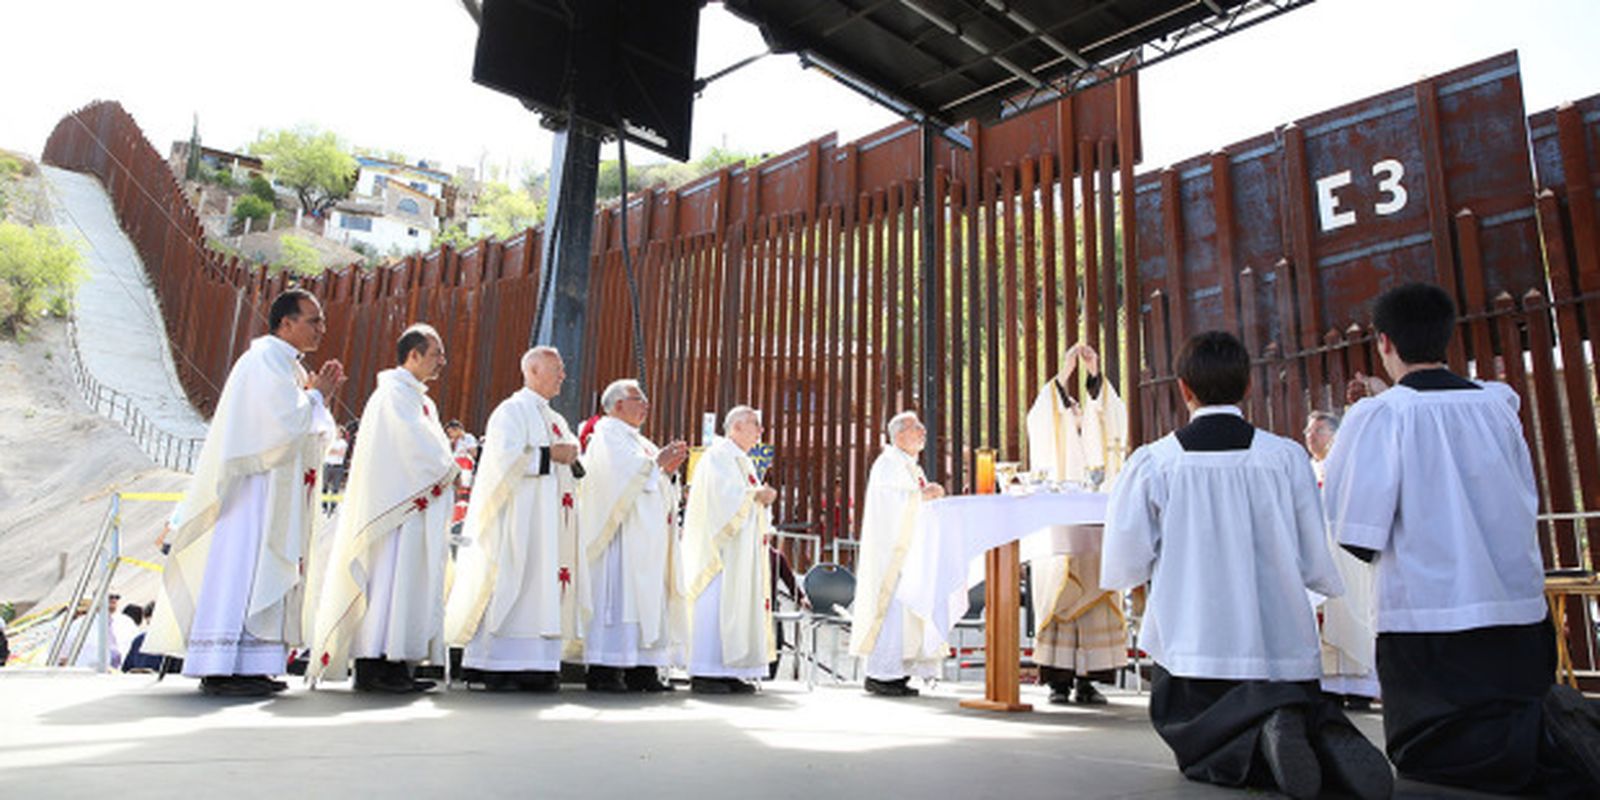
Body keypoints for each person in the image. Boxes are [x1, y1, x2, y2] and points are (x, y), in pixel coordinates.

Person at [1325, 282, 1600, 795]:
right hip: (1516, 615)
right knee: (1506, 722)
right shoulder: (1495, 406)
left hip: (1429, 622)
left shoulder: (1382, 417)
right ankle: (1552, 736)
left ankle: (1549, 742)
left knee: (1434, 759)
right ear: (1446, 338)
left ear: (1384, 342)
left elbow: (1357, 533)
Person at [1102, 330, 1391, 800]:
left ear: (1183, 388)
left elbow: (1126, 561)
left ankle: (1258, 740)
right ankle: (1309, 727)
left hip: (1194, 648)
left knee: (1196, 738)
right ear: (1248, 388)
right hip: (1278, 646)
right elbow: (1314, 555)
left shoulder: (1156, 463)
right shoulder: (1285, 457)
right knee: (1298, 697)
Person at [146, 288, 344, 697]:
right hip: (253, 497)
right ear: (285, 323)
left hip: (274, 494)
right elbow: (284, 423)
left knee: (261, 571)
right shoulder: (264, 361)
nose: (321, 328)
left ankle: (250, 663)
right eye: (313, 320)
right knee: (244, 568)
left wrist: (315, 399)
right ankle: (223, 665)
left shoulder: (284, 365)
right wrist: (318, 395)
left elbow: (302, 426)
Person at [307, 324, 458, 693]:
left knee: (408, 584)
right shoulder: (393, 394)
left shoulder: (420, 398)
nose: (442, 360)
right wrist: (449, 468)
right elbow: (415, 446)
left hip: (412, 508)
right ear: (413, 355)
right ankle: (375, 663)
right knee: (390, 582)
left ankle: (399, 662)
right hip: (394, 511)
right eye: (436, 353)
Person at [444, 347, 581, 692]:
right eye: (557, 369)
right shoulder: (511, 411)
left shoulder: (556, 418)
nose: (563, 375)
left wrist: (574, 458)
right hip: (518, 520)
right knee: (514, 582)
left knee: (542, 586)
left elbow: (572, 463)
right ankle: (496, 665)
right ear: (533, 371)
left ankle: (537, 664)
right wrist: (552, 455)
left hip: (549, 523)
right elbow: (503, 460)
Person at [1025, 342, 1128, 705]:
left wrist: (1095, 375)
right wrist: (1065, 373)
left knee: (1097, 598)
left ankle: (1090, 680)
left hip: (1098, 529)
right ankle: (1059, 681)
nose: (1075, 412)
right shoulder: (1057, 438)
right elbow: (1041, 414)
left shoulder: (1101, 427)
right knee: (1060, 595)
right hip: (1062, 529)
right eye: (1067, 409)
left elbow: (1112, 412)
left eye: (1080, 408)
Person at [576, 379, 689, 693]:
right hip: (621, 539)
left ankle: (644, 670)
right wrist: (656, 466)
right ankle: (606, 670)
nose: (646, 404)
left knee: (649, 602)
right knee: (620, 600)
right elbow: (621, 477)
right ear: (617, 406)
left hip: (647, 540)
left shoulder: (641, 442)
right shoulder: (608, 435)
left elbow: (654, 477)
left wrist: (668, 471)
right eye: (638, 399)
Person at [849, 411, 947, 697]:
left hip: (909, 554)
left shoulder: (909, 466)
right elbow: (892, 505)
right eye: (917, 428)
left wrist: (926, 498)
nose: (922, 433)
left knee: (904, 614)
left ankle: (898, 673)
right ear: (899, 435)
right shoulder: (888, 463)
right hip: (890, 556)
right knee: (891, 612)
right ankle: (880, 673)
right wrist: (922, 497)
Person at [681, 406, 776, 694]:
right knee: (716, 604)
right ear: (735, 427)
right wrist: (755, 496)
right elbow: (722, 498)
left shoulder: (741, 460)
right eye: (755, 425)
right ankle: (706, 670)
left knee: (736, 606)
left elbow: (743, 497)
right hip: (719, 552)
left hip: (741, 551)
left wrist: (759, 499)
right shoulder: (718, 456)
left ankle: (730, 670)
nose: (760, 431)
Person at [1302, 410, 1379, 711]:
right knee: (1323, 619)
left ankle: (1360, 687)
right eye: (1308, 431)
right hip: (1319, 555)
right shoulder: (1305, 470)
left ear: (1335, 434)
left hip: (1347, 557)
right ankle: (1330, 687)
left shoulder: (1348, 468)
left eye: (1318, 430)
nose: (1311, 436)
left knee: (1353, 613)